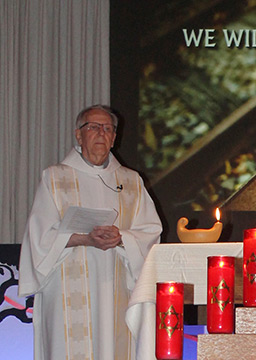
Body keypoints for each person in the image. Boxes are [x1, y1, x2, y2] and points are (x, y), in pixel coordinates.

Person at [19, 105, 162, 359]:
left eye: (107, 128)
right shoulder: (55, 178)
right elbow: (38, 237)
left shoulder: (131, 181)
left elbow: (150, 232)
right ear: (78, 134)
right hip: (65, 287)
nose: (101, 133)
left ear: (114, 138)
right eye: (93, 127)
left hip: (116, 287)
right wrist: (83, 239)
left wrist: (122, 239)